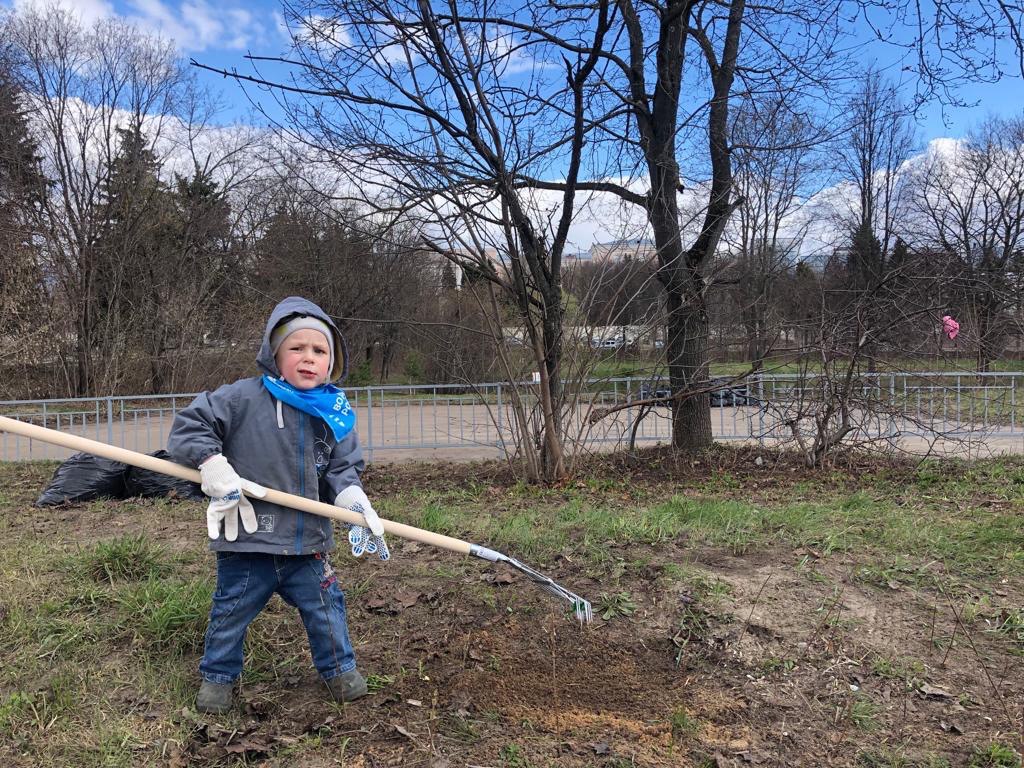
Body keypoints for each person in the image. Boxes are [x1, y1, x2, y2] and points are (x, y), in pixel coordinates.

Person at [167, 296, 388, 714]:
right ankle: (217, 679)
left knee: (327, 609)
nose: (309, 358)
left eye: (319, 351)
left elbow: (341, 468)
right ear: (274, 354)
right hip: (250, 541)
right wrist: (211, 462)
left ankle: (340, 671)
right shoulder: (241, 399)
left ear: (332, 360)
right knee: (231, 612)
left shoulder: (333, 414)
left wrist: (352, 497)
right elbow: (190, 424)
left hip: (308, 545)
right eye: (297, 348)